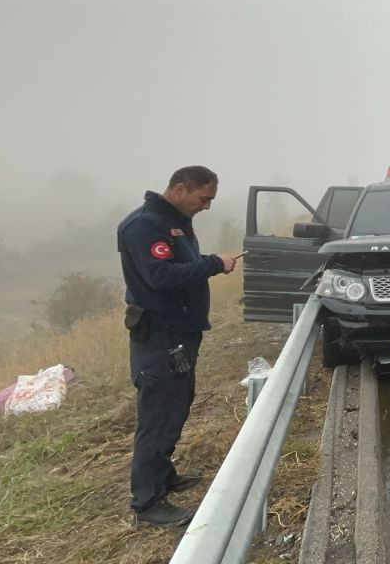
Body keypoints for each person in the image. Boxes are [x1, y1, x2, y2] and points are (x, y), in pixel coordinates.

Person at [117, 165, 237, 527]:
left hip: (181, 332)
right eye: (204, 199)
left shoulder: (174, 221)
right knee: (158, 415)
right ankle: (148, 501)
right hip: (160, 336)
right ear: (181, 189)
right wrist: (213, 264)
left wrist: (205, 263)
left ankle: (163, 475)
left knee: (176, 405)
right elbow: (160, 275)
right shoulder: (144, 225)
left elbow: (179, 264)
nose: (207, 206)